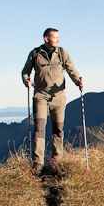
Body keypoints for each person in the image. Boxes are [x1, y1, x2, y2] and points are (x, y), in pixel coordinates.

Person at [22, 28, 84, 170]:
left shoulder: (62, 53)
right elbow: (25, 71)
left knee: (58, 129)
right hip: (40, 96)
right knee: (39, 129)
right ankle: (38, 164)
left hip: (59, 97)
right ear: (46, 38)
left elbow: (71, 69)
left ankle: (57, 162)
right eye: (55, 37)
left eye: (58, 37)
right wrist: (26, 80)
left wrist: (78, 80)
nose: (58, 39)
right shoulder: (35, 54)